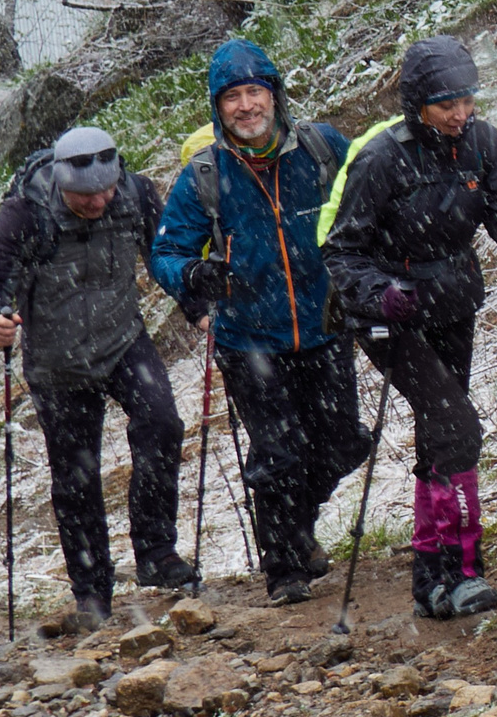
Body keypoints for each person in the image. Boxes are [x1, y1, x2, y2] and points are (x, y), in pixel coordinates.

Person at [321, 35, 497, 619]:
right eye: (446, 103)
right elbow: (341, 252)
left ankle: (430, 580)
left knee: (440, 433)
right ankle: (463, 570)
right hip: (388, 317)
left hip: (452, 304)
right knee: (457, 425)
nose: (460, 114)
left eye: (466, 99)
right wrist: (382, 295)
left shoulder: (480, 142)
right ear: (417, 104)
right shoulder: (382, 158)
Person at [150, 40, 363, 605]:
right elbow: (165, 252)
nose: (246, 106)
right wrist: (194, 276)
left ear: (275, 96)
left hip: (326, 325)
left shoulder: (321, 148)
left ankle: (296, 527)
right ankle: (284, 569)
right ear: (217, 109)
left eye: (255, 92)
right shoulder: (205, 175)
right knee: (278, 454)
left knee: (344, 441)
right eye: (232, 97)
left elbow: (371, 200)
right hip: (249, 339)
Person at [0, 126, 195, 630]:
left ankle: (157, 552)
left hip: (122, 341)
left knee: (163, 424)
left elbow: (163, 258)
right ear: (62, 183)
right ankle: (92, 591)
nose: (99, 201)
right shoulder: (26, 211)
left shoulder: (135, 193)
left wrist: (197, 303)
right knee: (76, 476)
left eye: (105, 190)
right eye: (85, 195)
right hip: (56, 360)